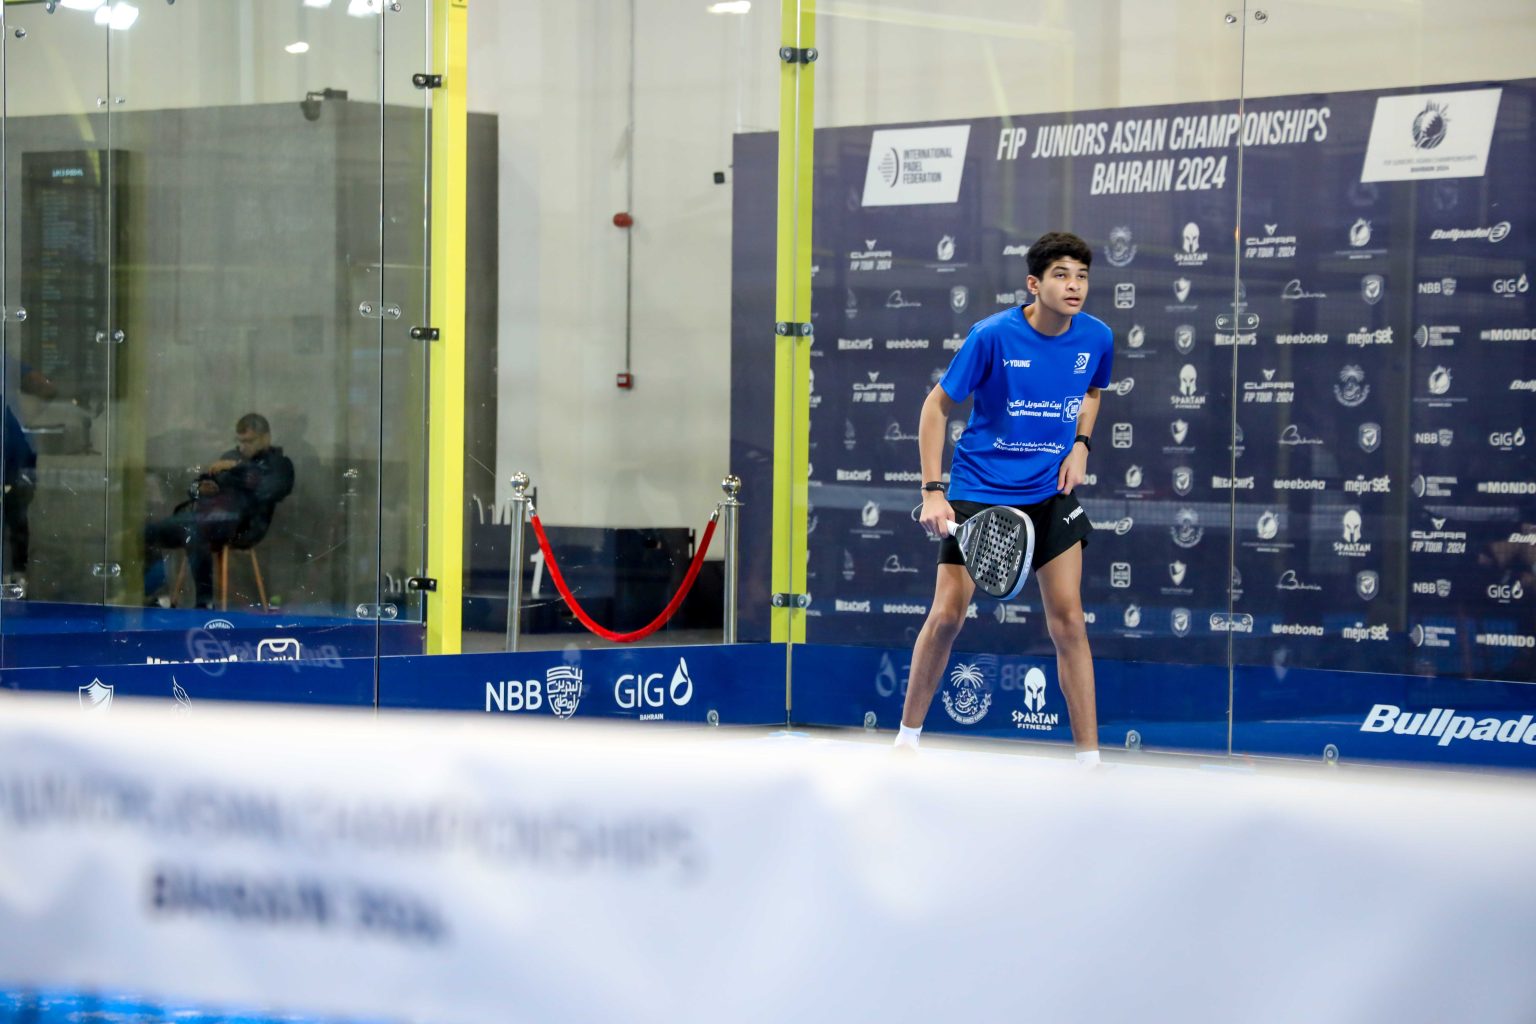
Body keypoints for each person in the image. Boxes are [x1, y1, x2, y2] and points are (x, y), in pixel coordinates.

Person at [896, 231, 1112, 765]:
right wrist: (933, 491)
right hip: (980, 490)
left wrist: (1081, 444)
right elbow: (935, 407)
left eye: (1081, 276)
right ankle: (906, 741)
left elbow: (1092, 389)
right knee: (947, 616)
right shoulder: (991, 336)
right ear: (1034, 284)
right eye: (1061, 275)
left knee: (1070, 622)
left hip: (1050, 492)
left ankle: (1090, 764)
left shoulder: (1097, 337)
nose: (1074, 285)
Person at [145, 412, 294, 608]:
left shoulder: (279, 464)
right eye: (240, 441)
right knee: (148, 532)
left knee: (194, 531)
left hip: (244, 525)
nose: (243, 447)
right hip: (209, 518)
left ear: (266, 438)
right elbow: (198, 484)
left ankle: (204, 602)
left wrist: (237, 467)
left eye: (249, 441)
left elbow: (267, 489)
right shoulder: (231, 457)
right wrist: (201, 488)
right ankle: (157, 592)